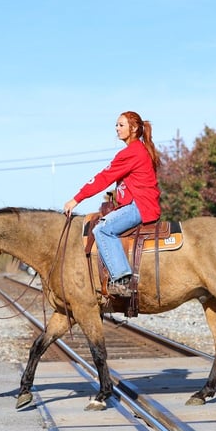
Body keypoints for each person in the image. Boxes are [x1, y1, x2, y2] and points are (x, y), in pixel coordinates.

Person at [63, 111, 161, 296]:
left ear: (134, 128)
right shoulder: (139, 149)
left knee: (102, 229)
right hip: (140, 204)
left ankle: (122, 281)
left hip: (139, 206)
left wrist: (76, 199)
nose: (117, 128)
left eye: (121, 125)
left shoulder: (131, 152)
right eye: (116, 125)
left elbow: (104, 178)